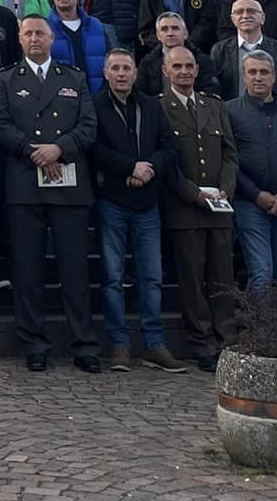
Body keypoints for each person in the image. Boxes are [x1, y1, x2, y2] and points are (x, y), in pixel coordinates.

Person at [0, 15, 97, 372]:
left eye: (41, 33)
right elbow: (1, 125)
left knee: (75, 270)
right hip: (24, 182)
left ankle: (84, 343)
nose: (34, 38)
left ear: (53, 38)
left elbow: (88, 126)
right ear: (19, 39)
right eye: (28, 33)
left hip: (69, 184)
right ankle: (34, 343)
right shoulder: (5, 79)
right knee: (28, 270)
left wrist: (59, 149)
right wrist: (34, 152)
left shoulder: (74, 78)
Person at [91, 48, 187, 372]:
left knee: (151, 277)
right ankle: (119, 344)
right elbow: (93, 148)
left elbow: (169, 149)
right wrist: (129, 168)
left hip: (148, 203)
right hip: (112, 201)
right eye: (115, 68)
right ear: (105, 73)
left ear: (135, 73)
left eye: (126, 68)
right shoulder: (95, 106)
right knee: (113, 278)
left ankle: (154, 344)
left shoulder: (152, 106)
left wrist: (147, 169)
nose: (121, 74)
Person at [159, 44, 238, 371]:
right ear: (166, 71)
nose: (184, 72)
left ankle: (228, 341)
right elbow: (166, 162)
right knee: (192, 280)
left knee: (223, 278)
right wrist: (194, 194)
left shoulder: (214, 106)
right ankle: (202, 343)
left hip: (219, 207)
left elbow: (231, 153)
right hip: (186, 207)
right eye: (177, 67)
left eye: (189, 66)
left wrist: (225, 190)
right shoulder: (160, 109)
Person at [226, 50, 277, 315]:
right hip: (250, 204)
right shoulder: (230, 111)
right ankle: (262, 340)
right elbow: (230, 161)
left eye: (264, 72)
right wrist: (256, 195)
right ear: (244, 76)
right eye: (252, 72)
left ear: (274, 76)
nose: (258, 77)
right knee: (261, 273)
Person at [210, 0, 277, 102]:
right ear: (233, 20)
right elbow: (214, 87)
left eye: (251, 11)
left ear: (263, 18)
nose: (245, 15)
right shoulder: (220, 50)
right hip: (232, 114)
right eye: (239, 12)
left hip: (273, 114)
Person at [44, 0, 109, 91]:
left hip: (96, 99)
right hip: (61, 102)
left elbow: (109, 63)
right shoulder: (44, 29)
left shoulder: (96, 25)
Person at [139, 12, 217, 97]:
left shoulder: (203, 61)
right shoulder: (147, 63)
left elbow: (211, 93)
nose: (170, 33)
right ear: (158, 35)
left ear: (185, 33)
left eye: (175, 28)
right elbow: (142, 96)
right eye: (164, 29)